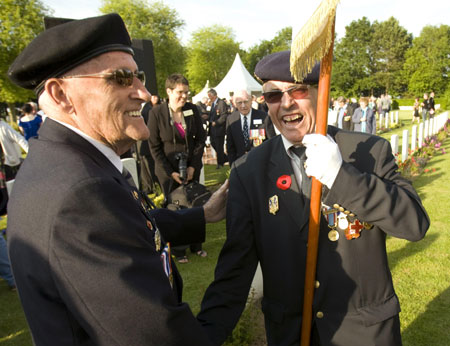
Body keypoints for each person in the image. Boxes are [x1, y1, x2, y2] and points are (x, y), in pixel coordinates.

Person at [6, 14, 227, 345]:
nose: (143, 92)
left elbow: (125, 228)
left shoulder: (68, 162)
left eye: (138, 76)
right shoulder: (80, 190)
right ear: (61, 94)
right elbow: (157, 336)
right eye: (122, 78)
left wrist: (203, 214)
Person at [197, 50, 429, 346]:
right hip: (291, 335)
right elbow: (235, 272)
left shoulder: (368, 151)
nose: (286, 103)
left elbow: (414, 224)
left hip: (364, 334)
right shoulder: (249, 171)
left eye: (298, 90)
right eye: (272, 96)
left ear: (322, 93)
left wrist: (341, 176)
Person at [148, 73, 207, 263]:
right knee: (175, 209)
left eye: (187, 93)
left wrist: (192, 167)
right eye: (180, 93)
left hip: (190, 168)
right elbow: (154, 147)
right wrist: (171, 172)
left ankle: (196, 244)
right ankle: (179, 250)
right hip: (168, 171)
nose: (184, 97)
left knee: (194, 205)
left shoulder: (192, 110)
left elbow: (200, 140)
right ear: (169, 91)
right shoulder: (156, 113)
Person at [226, 89, 267, 166]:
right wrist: (233, 167)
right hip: (240, 163)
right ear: (234, 104)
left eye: (245, 102)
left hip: (261, 163)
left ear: (251, 100)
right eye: (239, 103)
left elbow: (271, 141)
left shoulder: (263, 117)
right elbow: (230, 147)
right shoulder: (231, 119)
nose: (243, 106)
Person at [208, 88, 228, 169]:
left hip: (219, 129)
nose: (209, 98)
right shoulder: (213, 104)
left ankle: (220, 163)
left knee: (219, 146)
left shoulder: (221, 103)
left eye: (210, 96)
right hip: (212, 130)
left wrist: (216, 122)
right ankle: (224, 158)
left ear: (214, 95)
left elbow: (224, 115)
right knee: (213, 143)